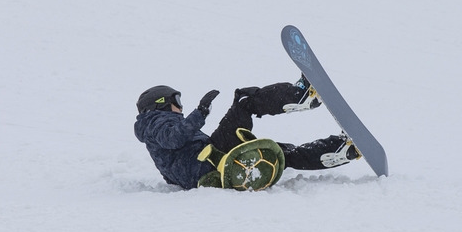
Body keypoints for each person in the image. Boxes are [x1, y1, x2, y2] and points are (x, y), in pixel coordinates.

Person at [133, 76, 360, 189]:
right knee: (244, 101)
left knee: (279, 154)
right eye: (176, 100)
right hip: (212, 162)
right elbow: (175, 138)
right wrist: (200, 112)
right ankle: (300, 96)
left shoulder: (154, 134)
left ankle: (342, 150)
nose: (180, 107)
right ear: (159, 103)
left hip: (214, 169)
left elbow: (173, 173)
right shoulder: (156, 121)